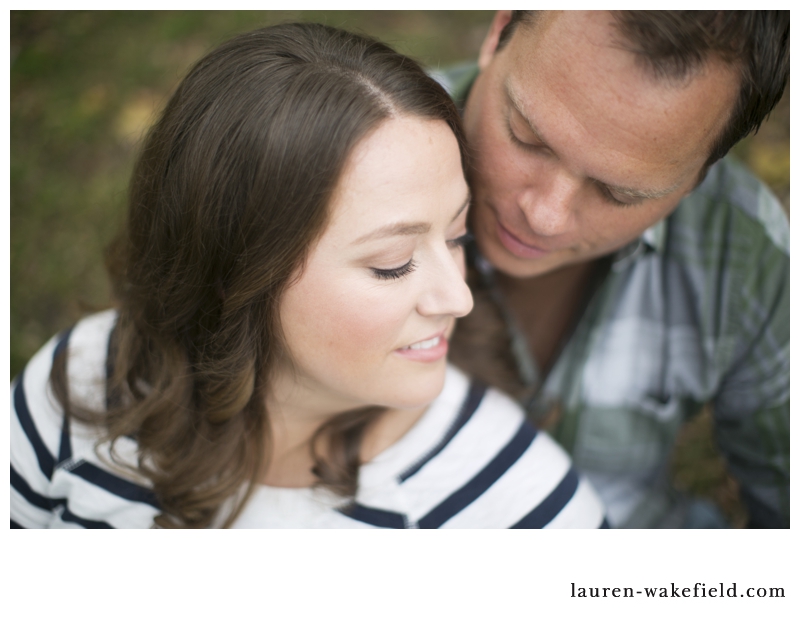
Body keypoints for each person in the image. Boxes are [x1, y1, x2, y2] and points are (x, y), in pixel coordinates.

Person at [11, 23, 607, 529]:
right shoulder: (78, 387)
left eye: (455, 238)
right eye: (392, 263)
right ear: (235, 266)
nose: (460, 297)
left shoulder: (520, 512)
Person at [441, 11, 789, 528]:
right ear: (500, 30)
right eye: (526, 137)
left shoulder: (747, 254)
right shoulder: (332, 164)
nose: (545, 216)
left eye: (619, 193)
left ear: (702, 172)